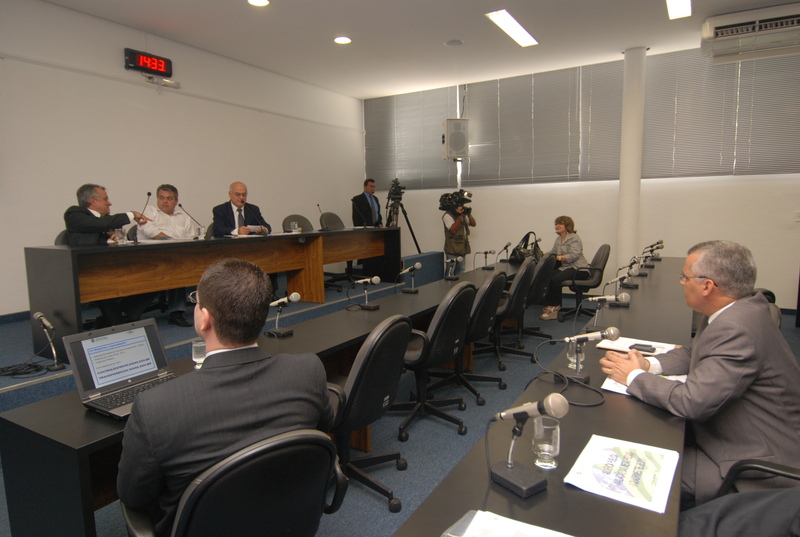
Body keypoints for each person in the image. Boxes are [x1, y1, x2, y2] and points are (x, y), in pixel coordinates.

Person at [117, 258, 334, 537]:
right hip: (289, 521)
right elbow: (324, 429)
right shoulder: (308, 370)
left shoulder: (155, 406)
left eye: (196, 302)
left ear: (205, 318)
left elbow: (133, 496)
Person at [599, 240, 800, 508]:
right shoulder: (736, 308)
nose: (681, 282)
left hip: (750, 464)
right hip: (728, 434)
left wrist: (633, 377)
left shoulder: (736, 328)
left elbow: (692, 402)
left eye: (685, 277)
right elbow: (694, 352)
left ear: (707, 286)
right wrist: (648, 365)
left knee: (619, 479)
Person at [64, 184, 154, 326]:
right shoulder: (74, 214)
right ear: (93, 201)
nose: (109, 203)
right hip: (88, 270)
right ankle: (117, 321)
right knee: (105, 286)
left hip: (112, 265)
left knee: (151, 278)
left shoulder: (107, 220)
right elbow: (96, 225)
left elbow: (117, 237)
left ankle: (121, 317)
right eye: (106, 199)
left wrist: (116, 239)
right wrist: (132, 214)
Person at [136, 184, 196, 327]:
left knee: (179, 268)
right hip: (149, 258)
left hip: (175, 259)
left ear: (176, 201)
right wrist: (171, 241)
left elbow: (192, 236)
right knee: (174, 267)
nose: (164, 201)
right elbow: (148, 230)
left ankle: (176, 313)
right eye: (161, 198)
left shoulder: (183, 217)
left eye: (169, 199)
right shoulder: (150, 211)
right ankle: (130, 314)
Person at [540, 215, 589, 320]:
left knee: (555, 279)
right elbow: (553, 252)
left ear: (567, 225)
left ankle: (555, 307)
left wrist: (557, 257)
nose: (557, 226)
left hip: (579, 269)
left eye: (560, 224)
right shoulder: (558, 239)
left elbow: (574, 255)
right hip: (567, 267)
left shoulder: (574, 238)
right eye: (556, 224)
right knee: (546, 277)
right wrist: (542, 254)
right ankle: (551, 305)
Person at [441, 192, 476, 275]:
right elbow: (453, 230)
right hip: (452, 249)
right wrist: (459, 216)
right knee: (450, 271)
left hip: (462, 248)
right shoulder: (447, 216)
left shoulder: (463, 215)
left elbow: (473, 224)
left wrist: (469, 215)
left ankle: (460, 283)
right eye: (460, 205)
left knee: (461, 271)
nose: (462, 206)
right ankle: (449, 284)